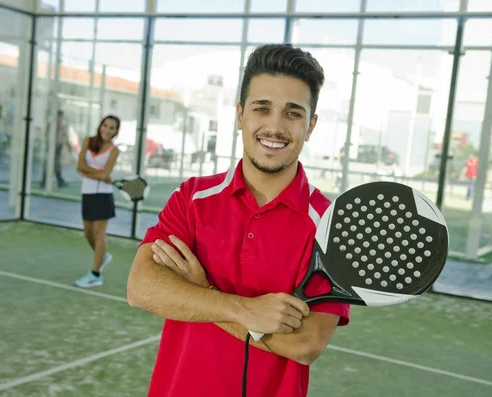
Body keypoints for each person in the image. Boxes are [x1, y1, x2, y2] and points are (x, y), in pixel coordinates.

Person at [127, 44, 350, 397]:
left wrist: (199, 294)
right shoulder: (192, 198)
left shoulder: (330, 227)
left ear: (311, 126)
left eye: (293, 113)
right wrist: (246, 310)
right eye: (262, 108)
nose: (275, 127)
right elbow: (141, 287)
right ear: (240, 114)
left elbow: (307, 344)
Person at [74, 115, 121, 288]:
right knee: (88, 233)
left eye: (112, 128)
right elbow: (80, 165)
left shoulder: (114, 151)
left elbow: (103, 174)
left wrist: (88, 172)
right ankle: (102, 257)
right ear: (100, 125)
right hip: (87, 193)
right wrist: (98, 174)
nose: (107, 130)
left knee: (99, 234)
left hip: (103, 195)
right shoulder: (88, 141)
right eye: (105, 125)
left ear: (116, 132)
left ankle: (95, 274)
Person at [40, 110, 70, 188]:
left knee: (54, 164)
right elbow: (47, 135)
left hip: (57, 147)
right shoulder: (53, 125)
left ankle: (55, 181)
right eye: (60, 117)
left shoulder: (60, 126)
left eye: (61, 117)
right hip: (53, 147)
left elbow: (63, 136)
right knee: (53, 164)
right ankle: (58, 181)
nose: (61, 119)